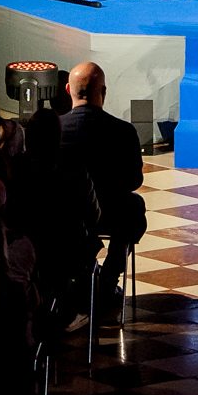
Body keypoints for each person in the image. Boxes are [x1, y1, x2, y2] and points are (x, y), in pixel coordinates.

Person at [60, 61, 145, 316]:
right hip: (112, 215)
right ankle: (109, 277)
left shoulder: (56, 129)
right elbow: (134, 181)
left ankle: (79, 276)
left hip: (66, 216)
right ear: (104, 91)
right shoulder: (124, 131)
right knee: (134, 207)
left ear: (68, 90)